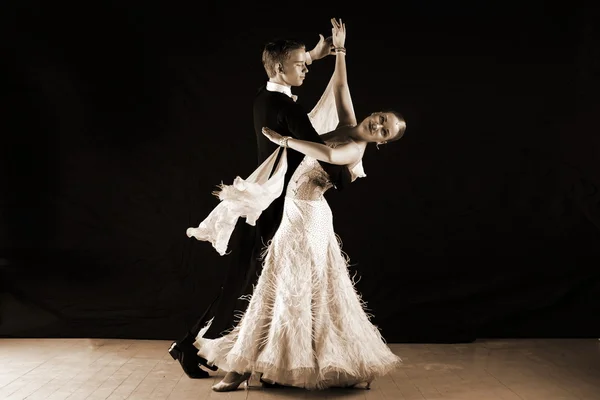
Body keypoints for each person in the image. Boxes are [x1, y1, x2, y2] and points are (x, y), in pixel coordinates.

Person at [190, 18, 405, 392]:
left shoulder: (354, 149)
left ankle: (249, 368)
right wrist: (339, 51)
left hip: (309, 218)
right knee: (277, 285)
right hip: (291, 213)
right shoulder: (350, 122)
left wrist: (286, 141)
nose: (379, 126)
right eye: (382, 119)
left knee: (293, 286)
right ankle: (253, 365)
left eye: (385, 132)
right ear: (376, 113)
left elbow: (324, 153)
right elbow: (341, 86)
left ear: (383, 143)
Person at [169, 29, 352, 379]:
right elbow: (326, 156)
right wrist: (350, 170)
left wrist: (312, 54)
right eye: (300, 65)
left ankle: (194, 347)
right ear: (281, 70)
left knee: (244, 283)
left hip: (261, 204)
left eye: (305, 64)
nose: (306, 70)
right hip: (274, 209)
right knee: (246, 285)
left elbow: (279, 70)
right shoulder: (286, 109)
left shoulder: (265, 96)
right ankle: (195, 346)